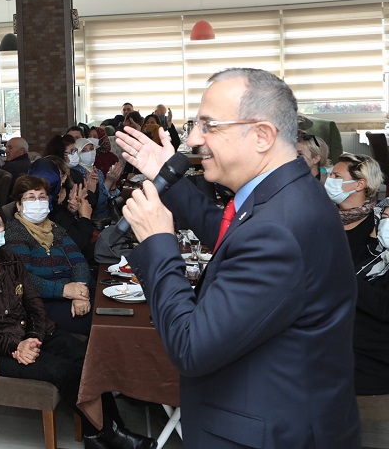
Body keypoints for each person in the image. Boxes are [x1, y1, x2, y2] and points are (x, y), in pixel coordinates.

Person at [117, 67, 360, 448]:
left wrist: (158, 242)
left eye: (209, 126)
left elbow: (191, 347)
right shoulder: (289, 194)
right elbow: (232, 235)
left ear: (261, 135)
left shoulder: (279, 227)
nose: (194, 139)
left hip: (266, 433)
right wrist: (168, 177)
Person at [0, 200, 154, 449]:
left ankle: (104, 434)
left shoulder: (10, 259)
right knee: (66, 372)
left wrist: (33, 336)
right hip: (0, 348)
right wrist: (16, 345)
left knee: (91, 359)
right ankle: (112, 435)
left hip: (35, 334)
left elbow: (34, 302)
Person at [5, 175, 92, 334]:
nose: (37, 202)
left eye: (42, 197)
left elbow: (78, 261)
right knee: (94, 323)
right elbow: (23, 279)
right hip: (40, 302)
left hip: (72, 293)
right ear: (19, 205)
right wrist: (64, 290)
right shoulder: (14, 233)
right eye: (31, 198)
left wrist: (79, 294)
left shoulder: (54, 228)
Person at [353, 198, 389, 395]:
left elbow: (384, 306)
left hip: (376, 376)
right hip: (351, 367)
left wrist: (345, 280)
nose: (387, 223)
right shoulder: (374, 259)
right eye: (384, 217)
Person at [326, 153, 383, 259]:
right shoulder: (323, 214)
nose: (329, 180)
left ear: (360, 184)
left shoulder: (379, 220)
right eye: (330, 175)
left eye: (337, 176)